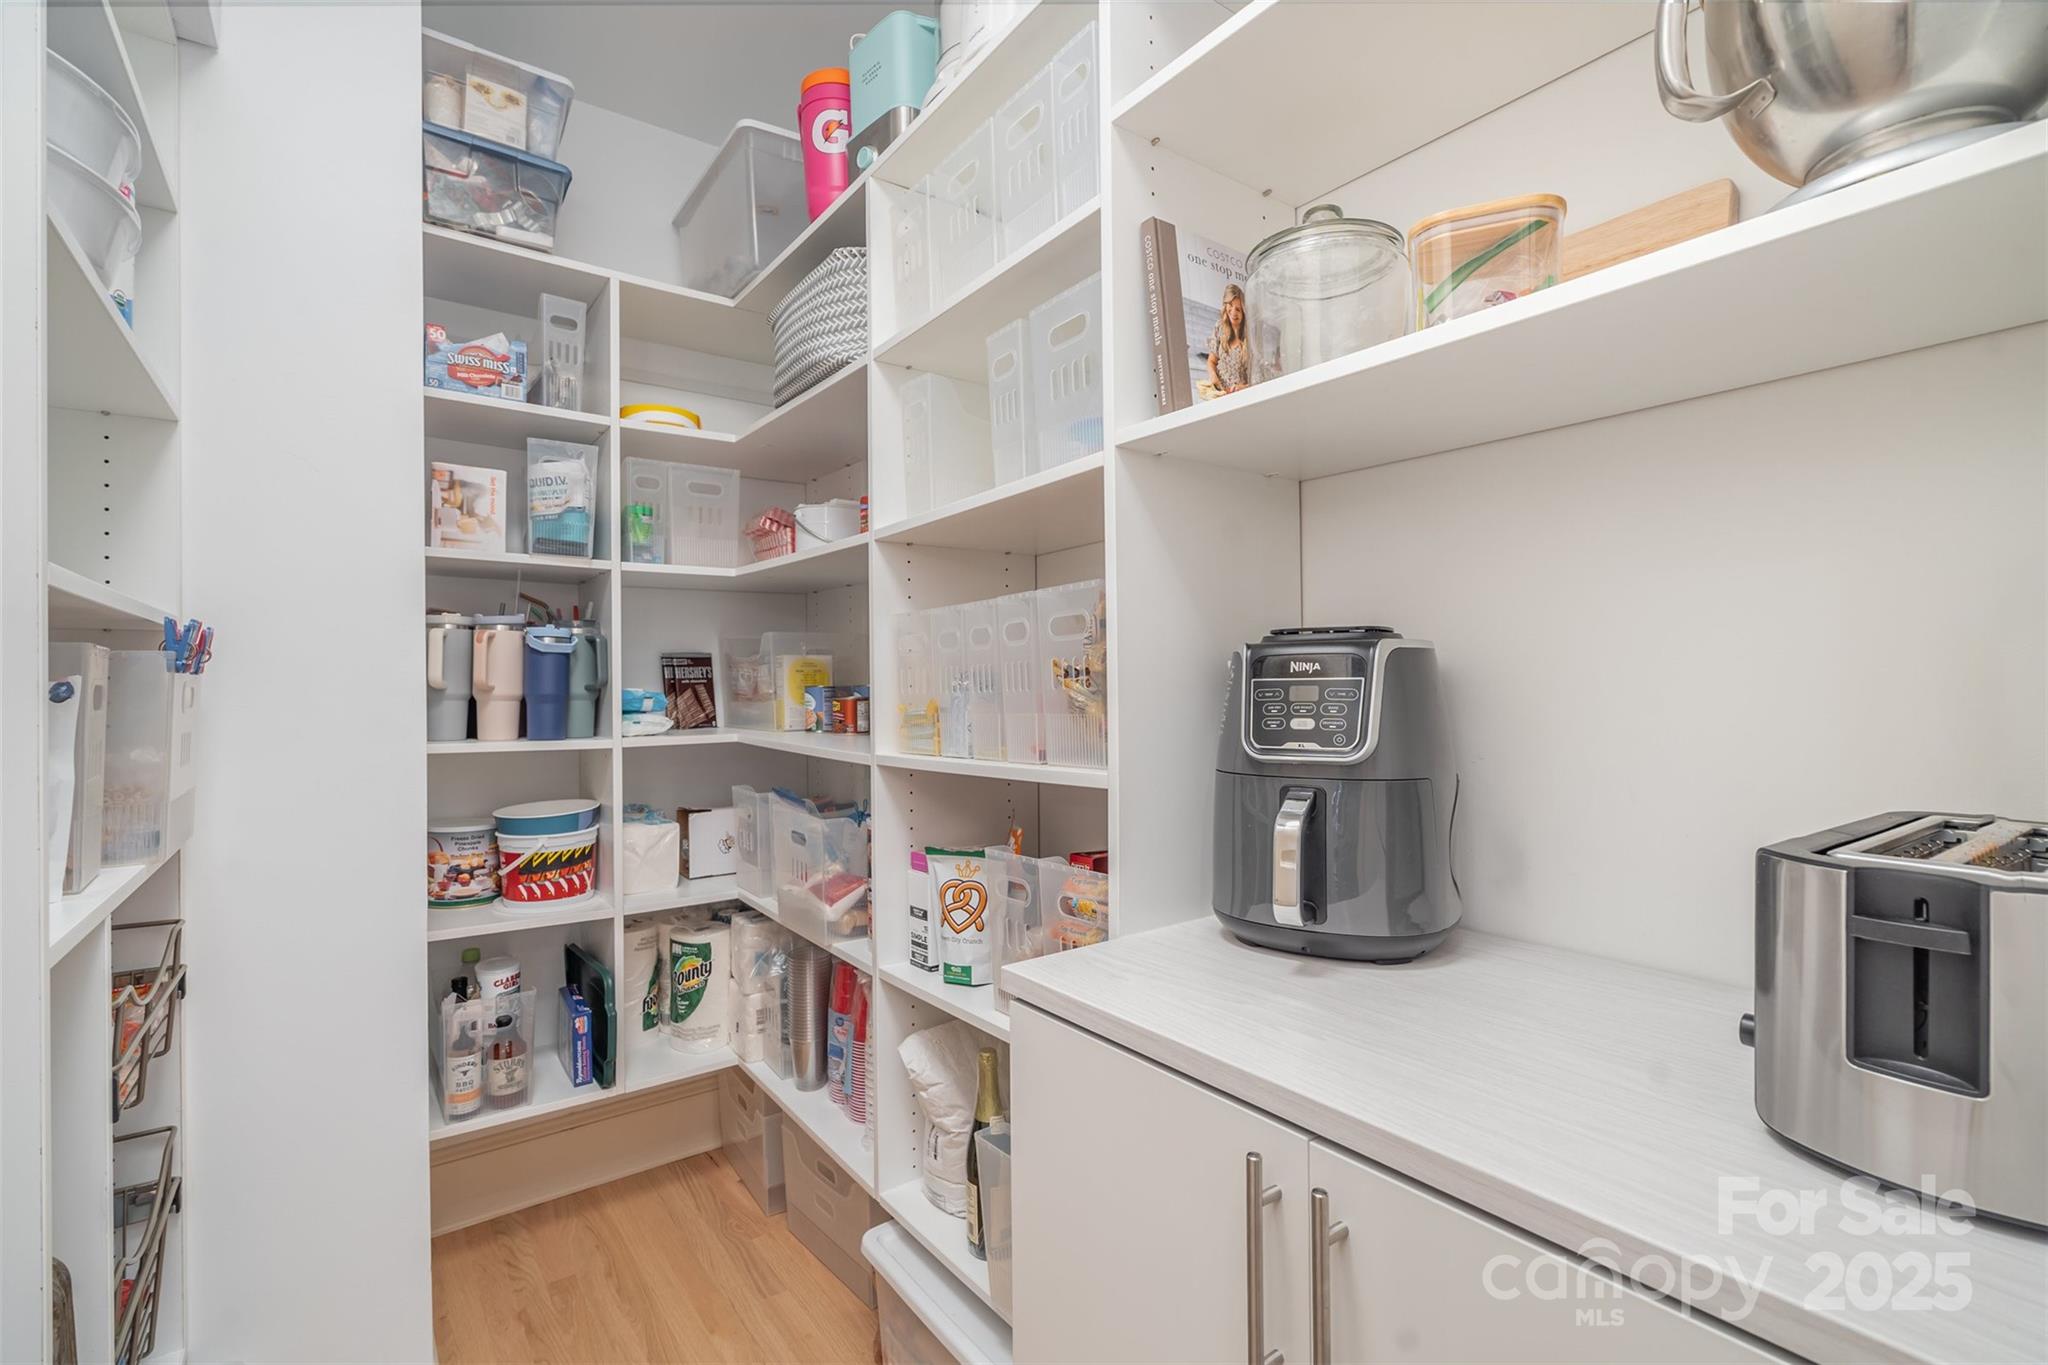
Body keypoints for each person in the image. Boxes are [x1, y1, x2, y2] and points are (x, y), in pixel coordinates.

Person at [1206, 282, 1251, 395]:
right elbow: (1211, 361)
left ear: (1243, 312)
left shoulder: (1249, 338)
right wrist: (1213, 377)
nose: (1233, 312)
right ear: (1225, 305)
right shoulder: (1220, 327)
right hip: (1219, 395)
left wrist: (1242, 388)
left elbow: (1258, 380)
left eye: (1238, 309)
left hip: (1241, 397)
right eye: (1230, 305)